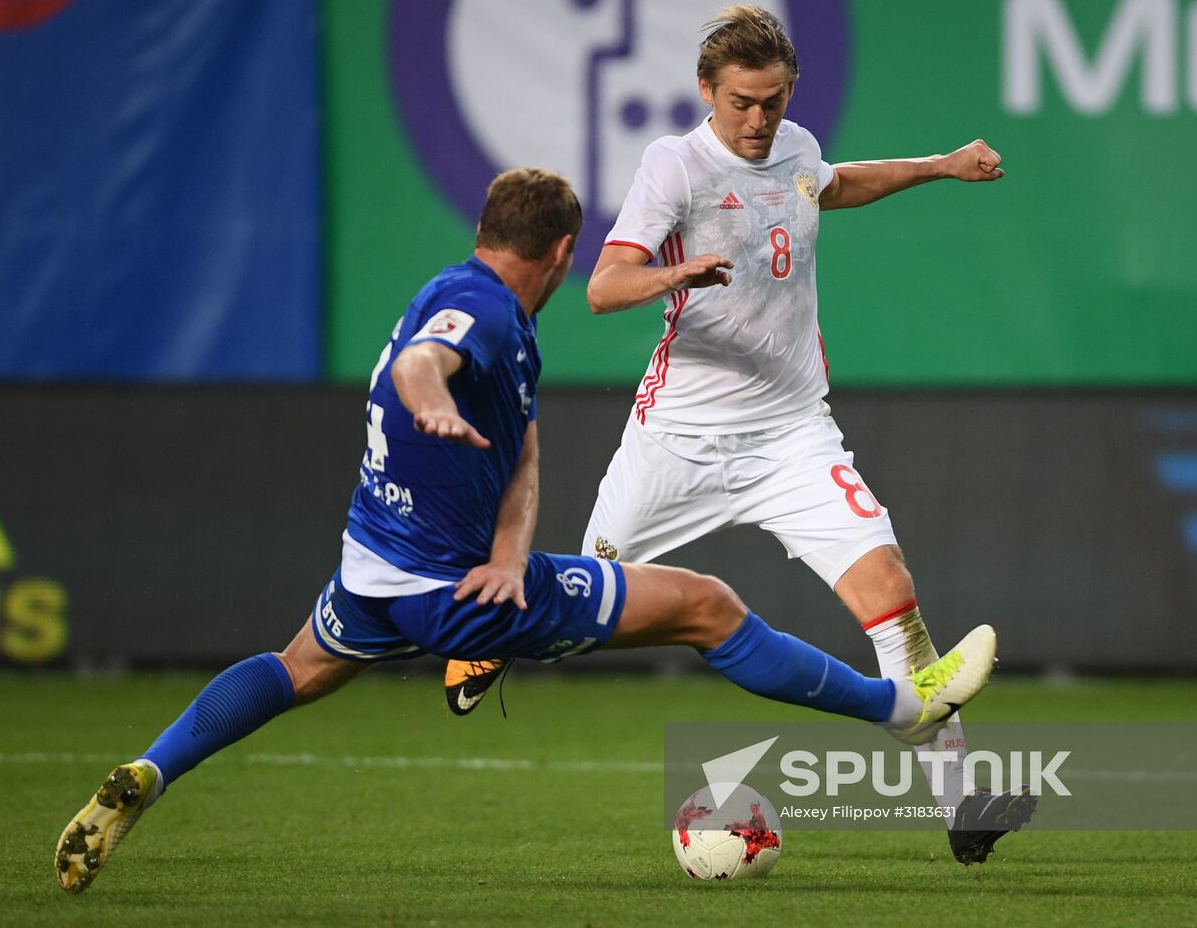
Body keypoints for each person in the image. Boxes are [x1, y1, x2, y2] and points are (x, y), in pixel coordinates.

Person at [54, 167, 998, 894]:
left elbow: (522, 445)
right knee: (709, 606)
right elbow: (431, 362)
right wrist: (430, 406)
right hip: (458, 599)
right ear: (561, 253)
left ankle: (150, 770)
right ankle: (904, 711)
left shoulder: (459, 289)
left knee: (295, 667)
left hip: (374, 570)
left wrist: (512, 546)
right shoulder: (490, 313)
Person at [442, 7, 1035, 865]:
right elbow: (604, 288)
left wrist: (939, 167)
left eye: (773, 100)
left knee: (891, 594)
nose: (758, 121)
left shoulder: (793, 146)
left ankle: (963, 802)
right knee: (579, 606)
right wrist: (675, 271)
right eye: (742, 103)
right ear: (706, 93)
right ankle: (483, 645)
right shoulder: (674, 165)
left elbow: (835, 184)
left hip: (792, 433)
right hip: (676, 440)